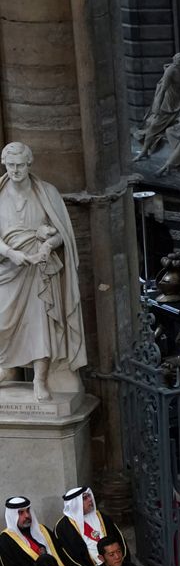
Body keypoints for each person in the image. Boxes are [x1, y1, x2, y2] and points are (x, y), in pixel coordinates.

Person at [0, 141, 86, 401]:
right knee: (3, 321)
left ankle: (40, 378)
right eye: (10, 165)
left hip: (39, 270)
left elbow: (64, 234)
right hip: (8, 268)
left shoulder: (47, 193)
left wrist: (49, 244)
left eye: (19, 165)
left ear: (29, 164)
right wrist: (10, 253)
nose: (14, 170)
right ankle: (7, 369)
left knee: (40, 323)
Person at [54, 486, 126, 566]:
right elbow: (66, 555)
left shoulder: (101, 516)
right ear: (75, 503)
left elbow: (119, 538)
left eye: (89, 496)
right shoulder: (62, 527)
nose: (90, 499)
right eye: (84, 498)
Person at [0, 497, 66, 566]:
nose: (27, 515)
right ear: (12, 516)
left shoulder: (42, 530)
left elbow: (60, 553)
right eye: (20, 513)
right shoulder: (5, 540)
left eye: (28, 511)